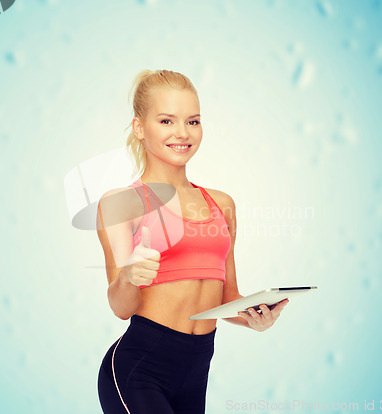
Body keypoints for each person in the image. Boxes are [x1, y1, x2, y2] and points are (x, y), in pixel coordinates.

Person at [96, 69, 289, 414]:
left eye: (193, 121)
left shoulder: (221, 205)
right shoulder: (121, 204)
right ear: (140, 128)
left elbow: (227, 298)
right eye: (167, 121)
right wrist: (128, 275)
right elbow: (120, 307)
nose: (182, 133)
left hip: (196, 370)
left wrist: (254, 317)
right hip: (139, 369)